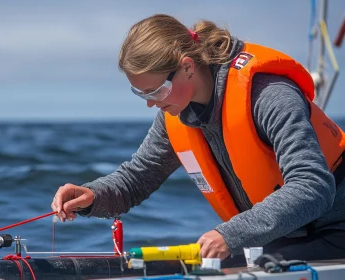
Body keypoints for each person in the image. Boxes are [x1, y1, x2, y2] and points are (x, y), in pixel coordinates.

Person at [51, 14, 345, 267]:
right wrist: (91, 196)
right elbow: (136, 180)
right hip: (282, 237)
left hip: (335, 229)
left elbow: (312, 185)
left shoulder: (269, 96)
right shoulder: (176, 114)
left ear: (188, 67)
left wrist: (230, 236)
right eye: (141, 94)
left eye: (155, 91)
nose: (151, 103)